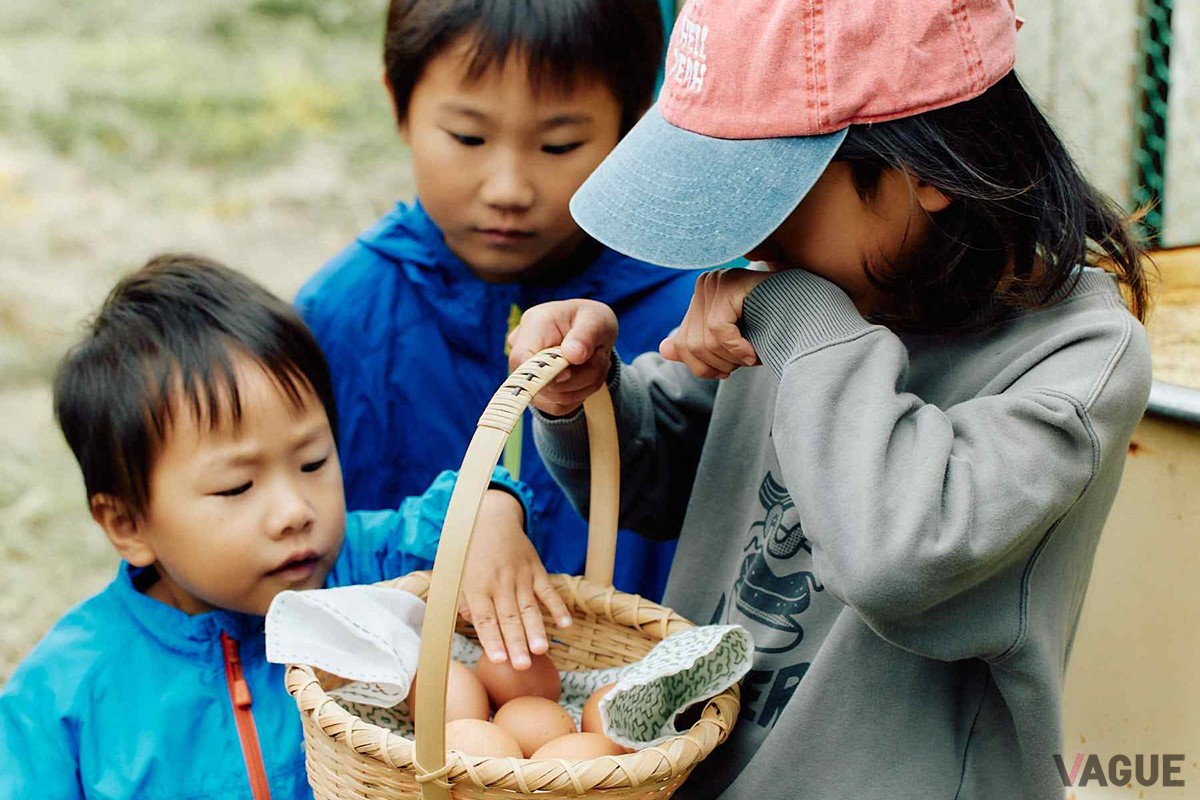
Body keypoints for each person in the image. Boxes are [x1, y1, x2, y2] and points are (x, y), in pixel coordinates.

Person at [505, 1, 1154, 797]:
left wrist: (796, 313)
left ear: (930, 172)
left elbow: (897, 555)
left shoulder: (1074, 362)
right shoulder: (809, 300)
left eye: (776, 200)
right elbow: (667, 471)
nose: (755, 243)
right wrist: (587, 393)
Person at [0, 255, 564, 800]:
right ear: (128, 524)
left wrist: (492, 506)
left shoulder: (367, 572)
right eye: (236, 487)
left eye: (313, 462)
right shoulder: (66, 692)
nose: (294, 510)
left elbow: (452, 517)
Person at [295, 0, 699, 636]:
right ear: (399, 105)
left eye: (559, 143)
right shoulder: (337, 320)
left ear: (633, 125)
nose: (508, 188)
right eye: (468, 137)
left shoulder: (693, 322)